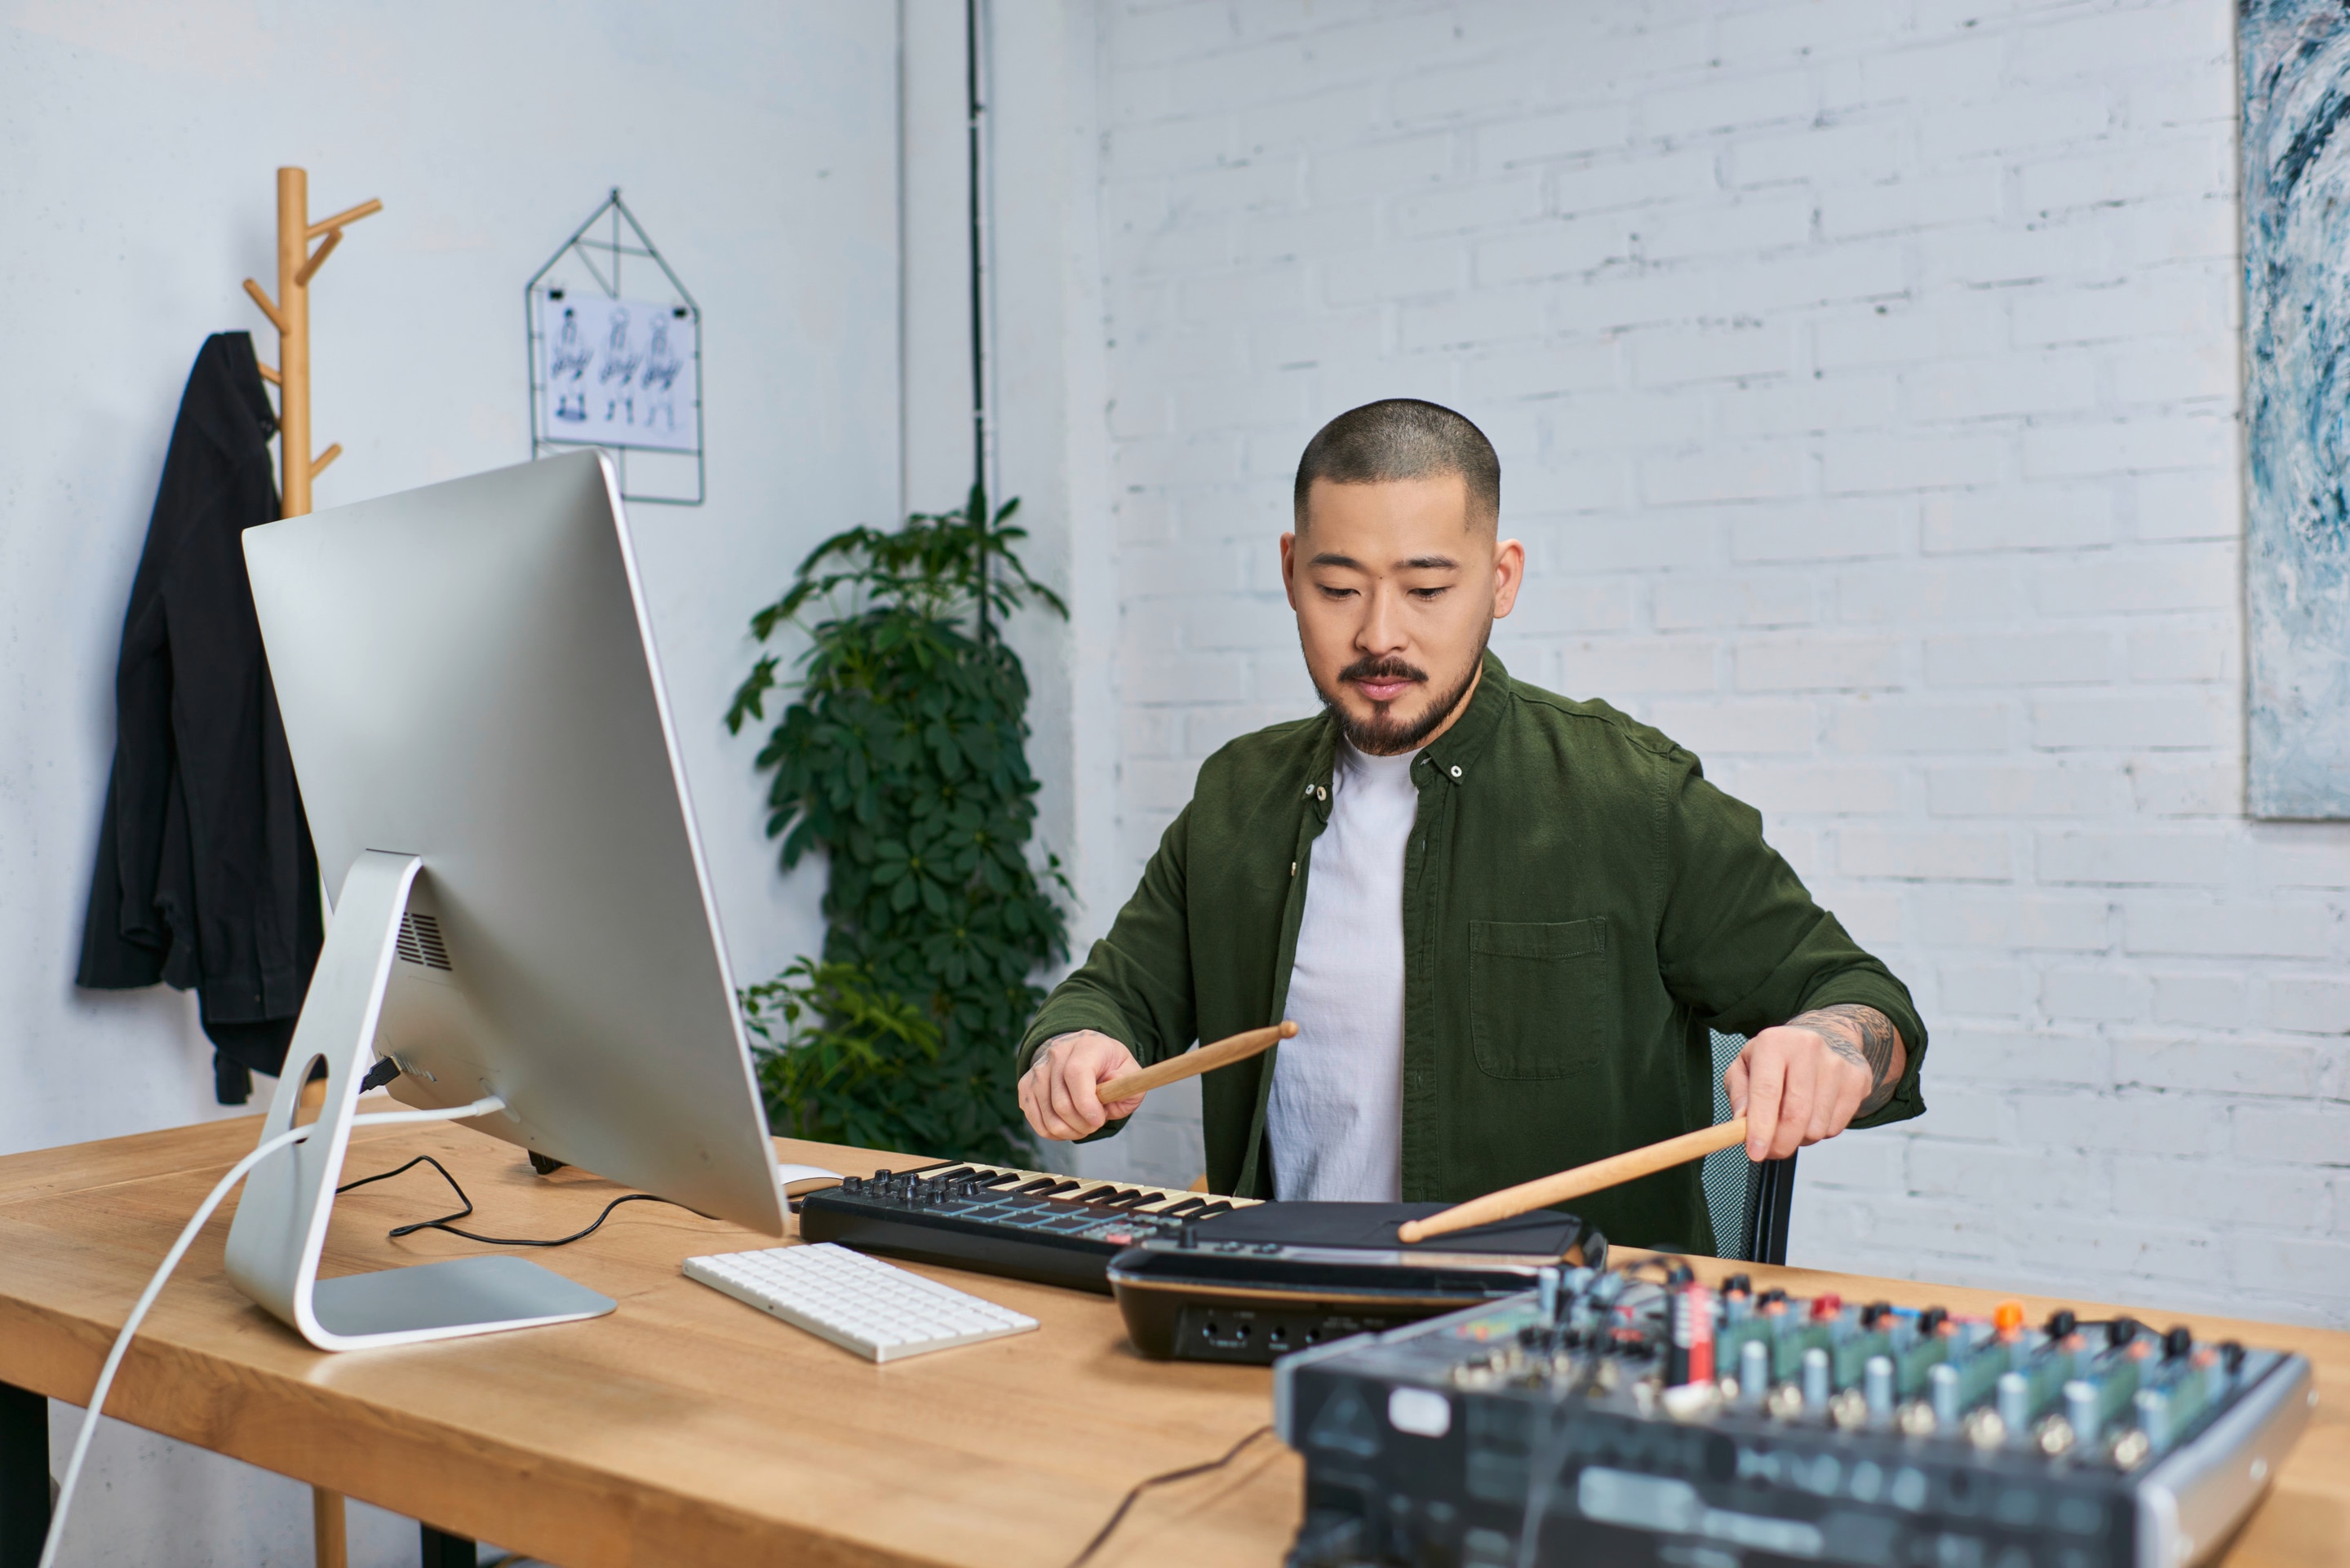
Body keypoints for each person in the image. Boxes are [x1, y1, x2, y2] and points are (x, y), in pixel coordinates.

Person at [1015, 399, 1925, 1250]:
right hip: (1290, 1313)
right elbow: (1111, 997)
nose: (1380, 635)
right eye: (1338, 588)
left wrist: (1837, 1043)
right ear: (1291, 571)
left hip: (1564, 1353)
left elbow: (1863, 999)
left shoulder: (1630, 795)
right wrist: (1076, 1046)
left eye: (1426, 589)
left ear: (1500, 580)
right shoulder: (1237, 799)